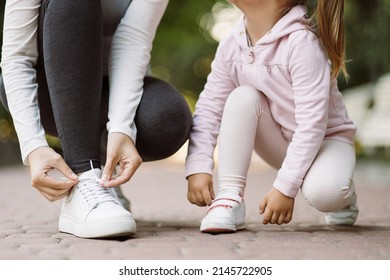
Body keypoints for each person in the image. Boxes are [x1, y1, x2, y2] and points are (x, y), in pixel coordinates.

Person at [0, 0, 192, 238]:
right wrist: (33, 146)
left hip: (110, 88)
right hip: (49, 92)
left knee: (167, 119)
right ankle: (84, 177)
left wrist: (121, 129)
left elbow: (132, 40)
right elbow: (17, 57)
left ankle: (103, 181)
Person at [185, 0, 358, 233]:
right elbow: (209, 108)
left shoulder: (301, 43)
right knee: (242, 97)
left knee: (326, 194)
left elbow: (312, 124)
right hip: (282, 142)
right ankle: (229, 197)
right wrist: (198, 164)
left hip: (328, 142)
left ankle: (343, 193)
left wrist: (285, 188)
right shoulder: (232, 44)